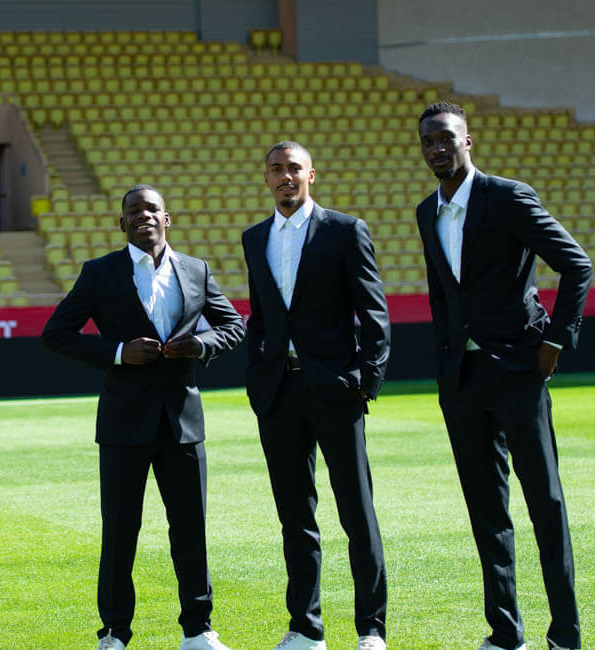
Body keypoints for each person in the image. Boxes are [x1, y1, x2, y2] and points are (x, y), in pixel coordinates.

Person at [413, 101, 592, 650]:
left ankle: (565, 635)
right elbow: (443, 296)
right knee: (486, 513)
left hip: (518, 370)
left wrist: (555, 341)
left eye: (446, 138)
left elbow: (576, 264)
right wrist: (445, 368)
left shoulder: (509, 197)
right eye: (428, 141)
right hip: (462, 380)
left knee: (545, 505)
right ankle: (505, 633)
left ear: (467, 141)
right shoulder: (426, 211)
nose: (437, 148)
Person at [41, 185, 246, 650]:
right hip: (123, 423)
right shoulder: (100, 273)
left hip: (182, 423)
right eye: (133, 210)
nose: (143, 215)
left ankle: (198, 630)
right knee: (119, 532)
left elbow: (233, 325)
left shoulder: (196, 270)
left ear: (166, 218)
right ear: (122, 223)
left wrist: (201, 344)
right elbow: (55, 334)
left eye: (152, 208)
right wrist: (117, 352)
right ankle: (114, 633)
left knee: (191, 531)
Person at [241, 141, 391, 650]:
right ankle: (305, 628)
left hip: (335, 389)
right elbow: (260, 315)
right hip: (278, 392)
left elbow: (373, 310)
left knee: (357, 512)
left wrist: (367, 379)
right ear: (266, 178)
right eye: (276, 169)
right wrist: (257, 375)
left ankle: (371, 629)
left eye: (294, 168)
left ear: (311, 175)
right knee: (295, 516)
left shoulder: (345, 230)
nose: (285, 177)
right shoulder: (254, 238)